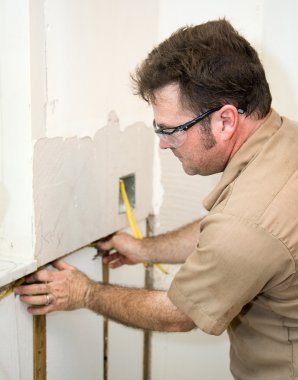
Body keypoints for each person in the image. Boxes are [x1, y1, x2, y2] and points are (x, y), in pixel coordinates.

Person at [15, 19, 298, 379]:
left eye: (171, 130)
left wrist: (84, 293)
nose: (163, 144)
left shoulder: (250, 221)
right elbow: (224, 230)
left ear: (225, 121)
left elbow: (179, 313)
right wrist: (145, 249)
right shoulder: (283, 138)